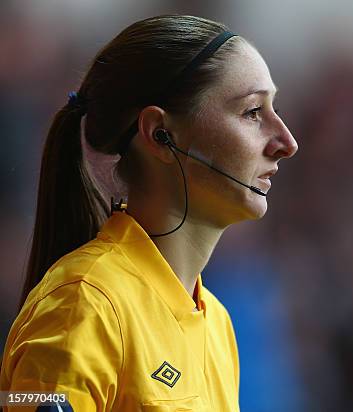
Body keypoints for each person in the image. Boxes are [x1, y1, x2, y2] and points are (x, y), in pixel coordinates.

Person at [0, 14, 297, 411]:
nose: (286, 141)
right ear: (160, 133)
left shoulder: (218, 324)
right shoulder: (85, 304)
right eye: (251, 112)